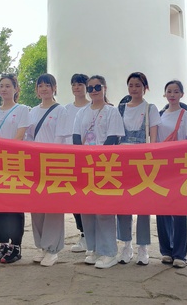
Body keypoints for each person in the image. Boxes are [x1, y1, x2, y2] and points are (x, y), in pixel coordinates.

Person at [72, 75, 124, 269]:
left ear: (104, 88)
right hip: (85, 166)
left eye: (97, 87)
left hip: (104, 165)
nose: (93, 91)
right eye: (90, 88)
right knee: (86, 209)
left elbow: (113, 138)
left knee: (104, 210)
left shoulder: (112, 111)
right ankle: (93, 249)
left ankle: (109, 252)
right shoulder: (82, 113)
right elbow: (76, 137)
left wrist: (98, 158)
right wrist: (83, 158)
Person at [0, 74, 30, 264]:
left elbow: (20, 135)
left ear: (16, 89)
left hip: (15, 162)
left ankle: (15, 246)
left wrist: (5, 153)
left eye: (8, 86)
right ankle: (2, 244)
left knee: (15, 204)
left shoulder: (22, 110)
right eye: (1, 86)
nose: (4, 89)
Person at [116, 72, 161, 266]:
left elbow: (154, 138)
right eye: (131, 85)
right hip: (123, 161)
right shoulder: (120, 109)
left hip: (143, 162)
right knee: (123, 204)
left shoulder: (150, 108)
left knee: (143, 205)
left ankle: (143, 247)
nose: (134, 89)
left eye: (138, 85)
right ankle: (126, 246)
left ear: (145, 88)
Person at [26, 74, 69, 267]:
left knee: (52, 206)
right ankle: (41, 246)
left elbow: (60, 138)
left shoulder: (61, 110)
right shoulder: (32, 111)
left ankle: (52, 249)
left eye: (47, 85)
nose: (44, 89)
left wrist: (52, 159)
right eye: (40, 85)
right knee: (36, 206)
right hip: (35, 164)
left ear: (54, 88)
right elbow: (28, 137)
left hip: (54, 163)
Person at [156, 80, 187, 269]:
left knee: (179, 210)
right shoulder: (159, 115)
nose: (172, 95)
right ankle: (166, 250)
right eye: (169, 91)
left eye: (176, 91)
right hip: (161, 167)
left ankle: (180, 254)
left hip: (180, 167)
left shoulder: (186, 115)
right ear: (165, 94)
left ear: (181, 94)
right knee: (162, 209)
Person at [64, 73, 90, 253]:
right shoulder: (66, 109)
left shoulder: (93, 107)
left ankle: (92, 234)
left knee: (89, 197)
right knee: (75, 198)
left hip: (88, 160)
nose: (77, 87)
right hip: (69, 159)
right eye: (74, 84)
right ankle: (83, 234)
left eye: (80, 84)